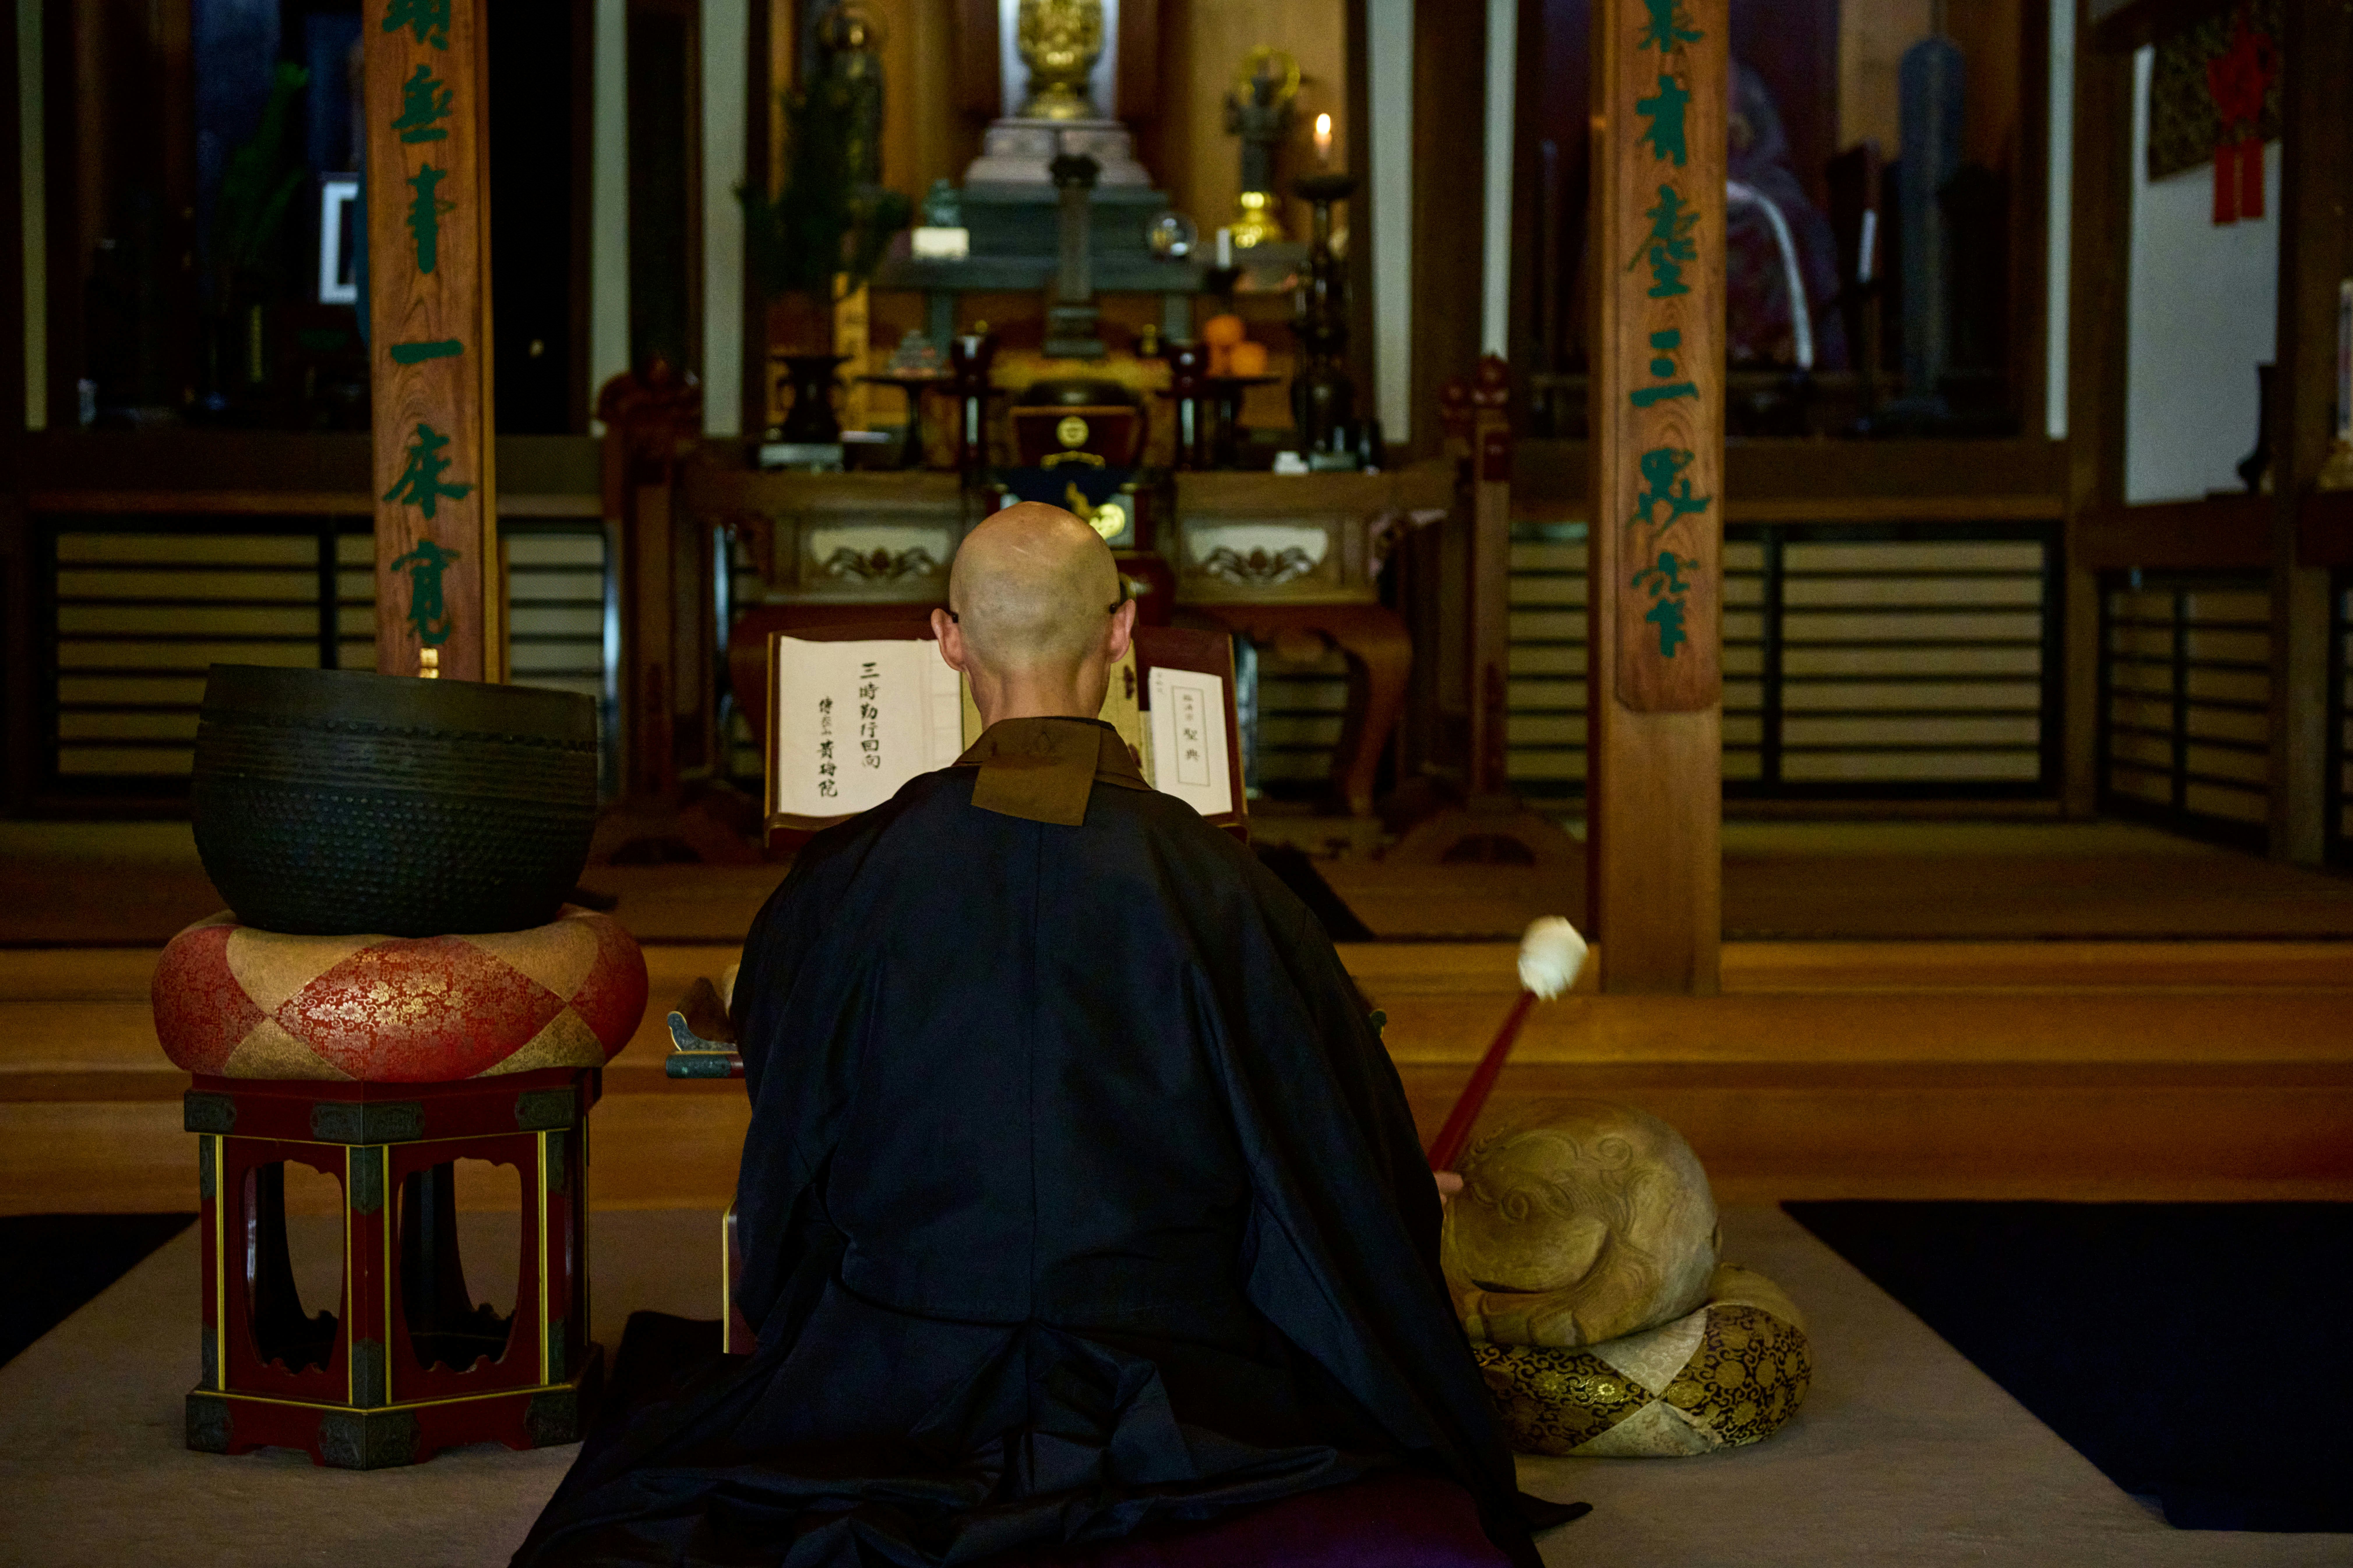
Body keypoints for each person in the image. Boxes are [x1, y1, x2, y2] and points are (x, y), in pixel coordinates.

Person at [511, 504, 1572, 1567]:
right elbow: (1320, 1141)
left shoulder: (840, 887)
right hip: (1173, 1367)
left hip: (901, 1355)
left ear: (948, 638)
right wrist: (1395, 1201)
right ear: (1122, 634)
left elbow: (793, 1121)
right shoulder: (1230, 893)